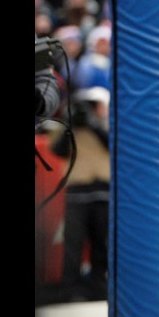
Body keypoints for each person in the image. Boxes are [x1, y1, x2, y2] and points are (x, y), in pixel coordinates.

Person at [50, 86, 111, 301]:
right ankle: (69, 288)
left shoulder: (106, 126)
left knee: (101, 243)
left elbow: (111, 144)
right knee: (73, 243)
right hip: (77, 191)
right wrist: (71, 125)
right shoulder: (71, 131)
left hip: (102, 191)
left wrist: (93, 125)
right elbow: (57, 150)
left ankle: (98, 285)